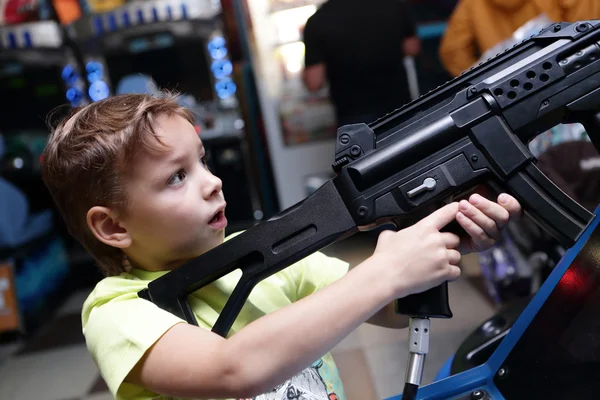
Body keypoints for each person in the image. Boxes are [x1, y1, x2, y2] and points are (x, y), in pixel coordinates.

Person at [40, 93, 522, 400]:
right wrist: (383, 272)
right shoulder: (114, 312)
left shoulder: (253, 254)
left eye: (203, 162)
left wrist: (440, 245)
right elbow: (232, 369)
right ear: (112, 227)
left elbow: (388, 307)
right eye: (177, 177)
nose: (213, 184)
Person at [302, 0, 421, 127]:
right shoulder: (393, 4)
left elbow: (314, 82)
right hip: (399, 104)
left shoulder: (317, 22)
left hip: (353, 115)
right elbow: (412, 48)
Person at [439, 0, 600, 78]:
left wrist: (483, 79)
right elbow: (587, 24)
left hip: (511, 90)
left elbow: (452, 50)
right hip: (568, 72)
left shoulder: (472, 3)